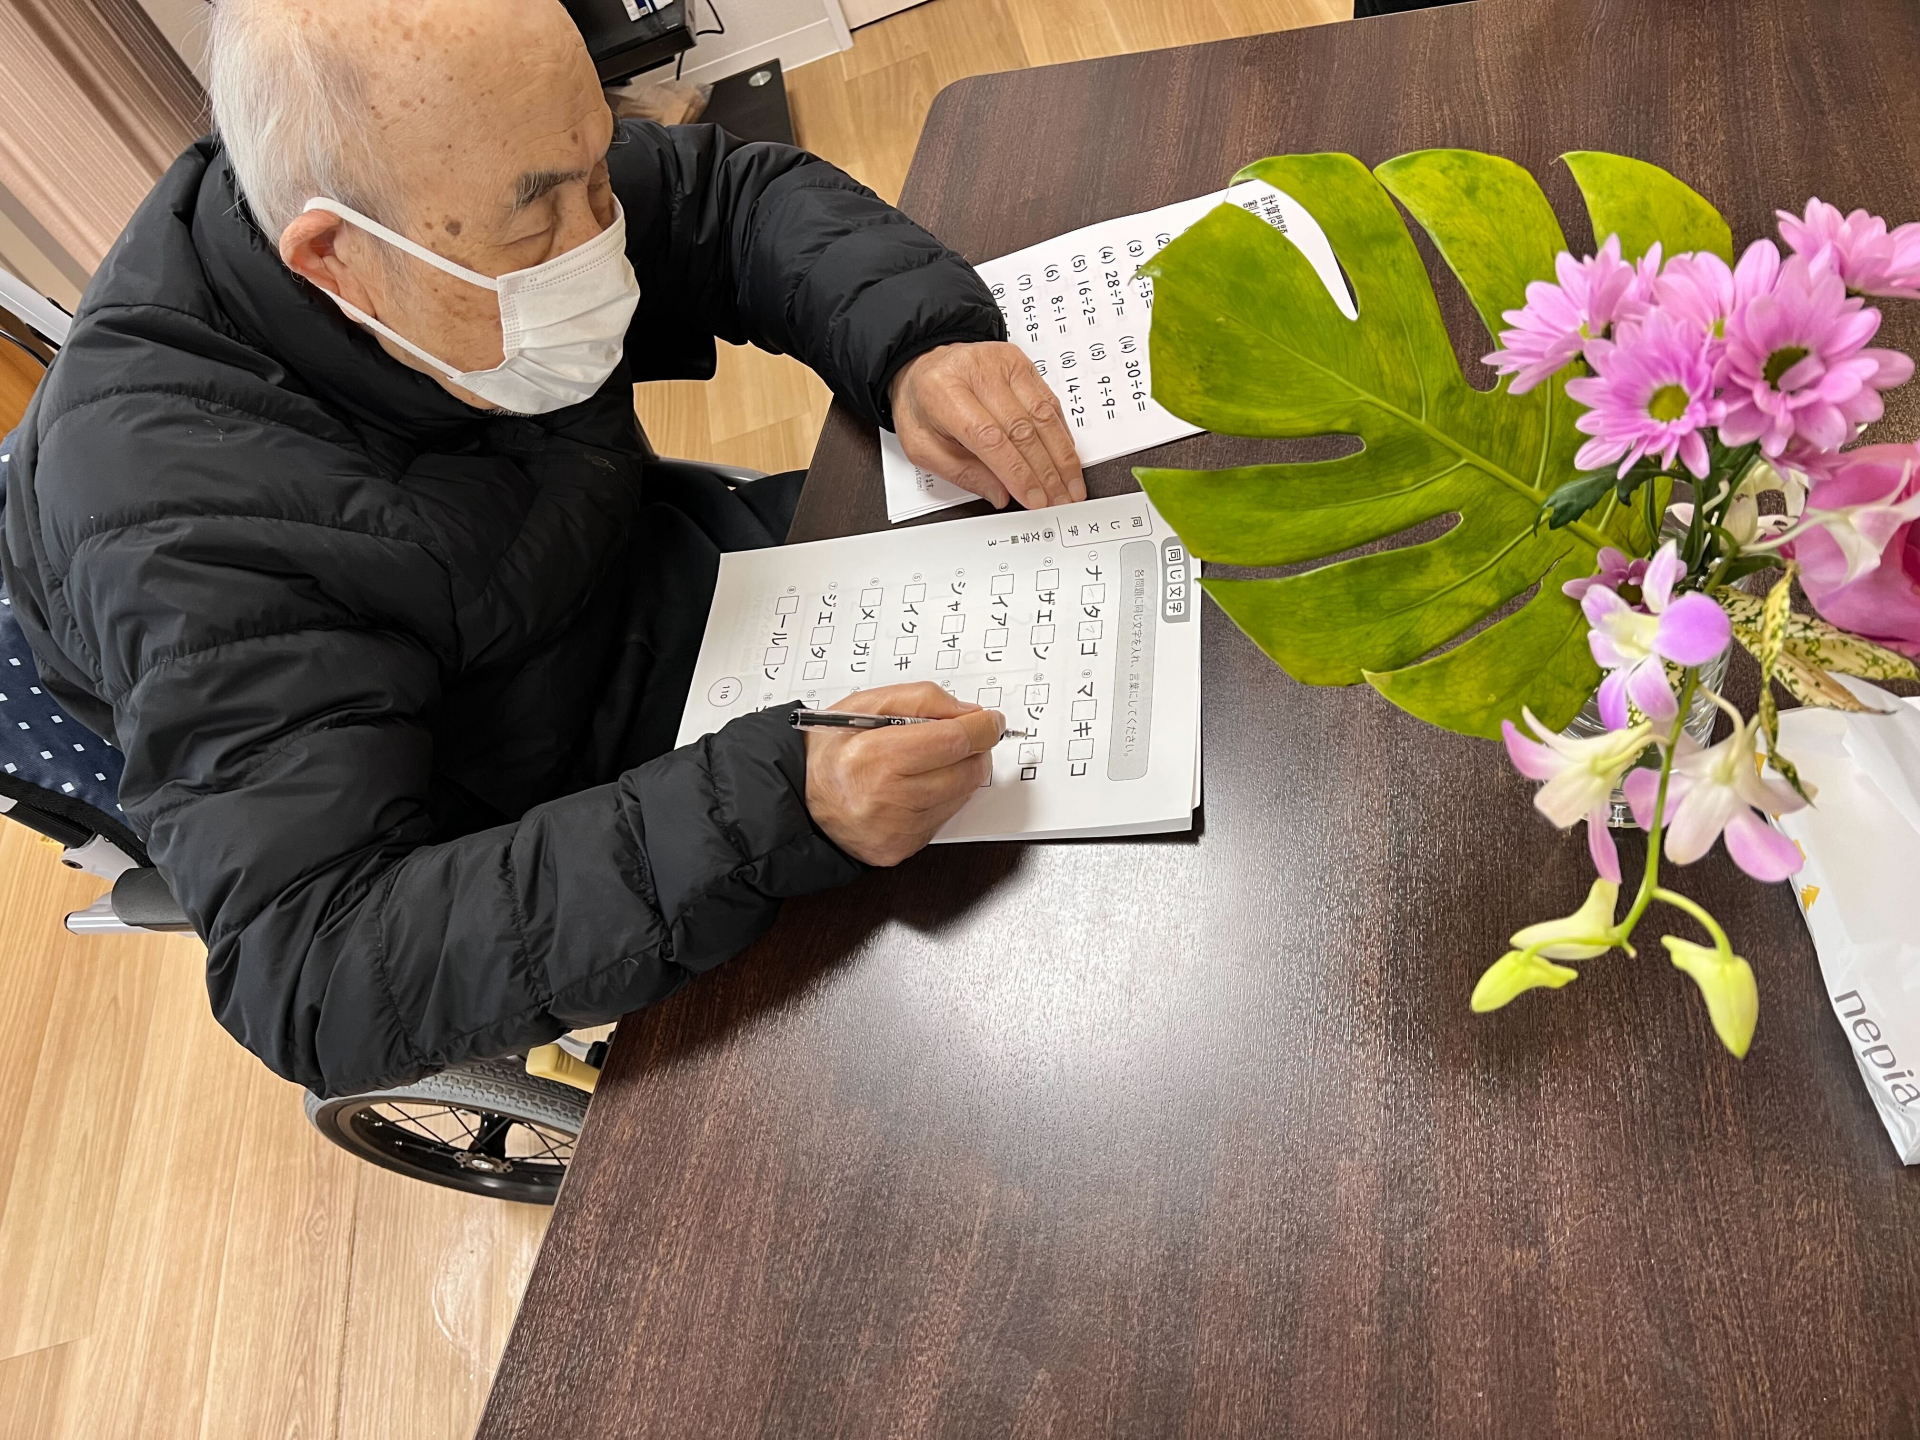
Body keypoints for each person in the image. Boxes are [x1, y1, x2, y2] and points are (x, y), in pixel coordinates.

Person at [0, 0, 1086, 1097]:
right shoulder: (179, 533)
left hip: (696, 593)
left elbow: (722, 198)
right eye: (536, 228)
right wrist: (770, 811)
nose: (601, 244)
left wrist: (917, 340)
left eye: (600, 171)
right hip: (572, 836)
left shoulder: (457, 162)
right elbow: (314, 967)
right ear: (335, 257)